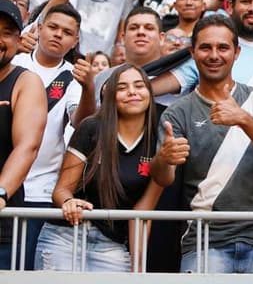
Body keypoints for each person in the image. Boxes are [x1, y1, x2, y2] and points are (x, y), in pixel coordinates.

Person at [150, 15, 253, 273]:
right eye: (205, 47)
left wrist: (243, 119)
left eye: (223, 48)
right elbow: (163, 178)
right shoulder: (177, 112)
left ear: (237, 53)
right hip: (204, 241)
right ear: (192, 53)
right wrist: (164, 158)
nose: (214, 55)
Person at [34, 64, 163, 272]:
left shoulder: (156, 140)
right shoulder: (91, 127)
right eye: (122, 88)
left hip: (112, 244)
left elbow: (142, 214)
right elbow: (60, 191)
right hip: (65, 237)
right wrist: (68, 202)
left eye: (139, 86)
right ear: (109, 95)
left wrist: (138, 270)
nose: (132, 92)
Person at [12, 3, 97, 270]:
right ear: (38, 28)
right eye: (53, 27)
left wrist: (88, 89)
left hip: (42, 190)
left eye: (67, 32)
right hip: (5, 181)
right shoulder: (14, 62)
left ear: (76, 39)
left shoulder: (73, 78)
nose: (58, 34)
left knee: (27, 269)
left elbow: (80, 121)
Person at [0, 0, 47, 269]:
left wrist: (1, 192)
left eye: (7, 32)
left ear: (19, 42)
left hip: (4, 223)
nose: (0, 39)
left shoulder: (25, 82)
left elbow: (27, 146)